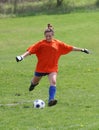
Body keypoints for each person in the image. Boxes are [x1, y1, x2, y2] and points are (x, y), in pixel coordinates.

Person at [16, 24, 90, 107]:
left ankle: (51, 99)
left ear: (53, 35)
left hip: (52, 68)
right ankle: (33, 84)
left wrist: (82, 50)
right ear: (44, 36)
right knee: (34, 82)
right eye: (46, 36)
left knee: (53, 82)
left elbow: (70, 47)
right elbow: (30, 51)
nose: (48, 37)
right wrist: (21, 56)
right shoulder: (41, 44)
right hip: (41, 68)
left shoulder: (58, 43)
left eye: (49, 36)